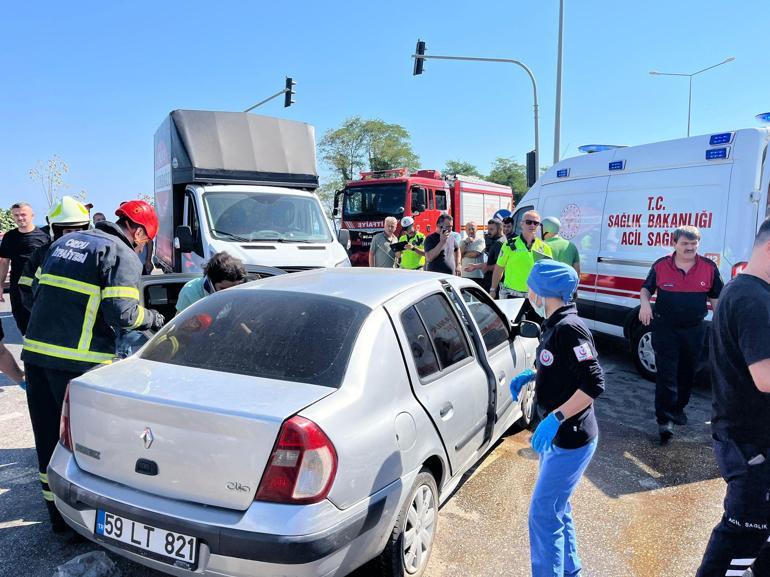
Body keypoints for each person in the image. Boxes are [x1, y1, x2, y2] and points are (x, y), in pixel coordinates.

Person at [21, 199, 165, 533]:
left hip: (36, 356)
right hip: (77, 365)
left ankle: (59, 521)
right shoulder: (120, 253)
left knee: (48, 439)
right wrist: (156, 318)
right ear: (137, 231)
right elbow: (124, 314)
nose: (143, 246)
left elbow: (32, 292)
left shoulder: (64, 243)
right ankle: (86, 522)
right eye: (145, 240)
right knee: (85, 445)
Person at [509, 259, 604, 577]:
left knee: (543, 514)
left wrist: (557, 417)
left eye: (530, 288)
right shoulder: (554, 322)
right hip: (557, 437)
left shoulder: (569, 328)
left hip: (571, 439)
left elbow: (593, 383)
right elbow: (561, 366)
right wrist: (535, 374)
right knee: (556, 508)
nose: (528, 294)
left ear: (543, 292)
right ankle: (570, 570)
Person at [696, 217, 770, 577]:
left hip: (747, 436)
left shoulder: (745, 289)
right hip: (750, 443)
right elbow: (765, 378)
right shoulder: (753, 299)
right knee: (742, 535)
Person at [639, 226, 723, 444]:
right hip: (665, 328)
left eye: (694, 244)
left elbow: (716, 298)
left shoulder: (709, 267)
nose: (690, 248)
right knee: (666, 373)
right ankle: (665, 419)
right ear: (674, 243)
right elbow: (646, 289)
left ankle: (678, 409)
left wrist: (721, 324)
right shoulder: (661, 265)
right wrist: (645, 304)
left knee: (687, 372)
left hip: (694, 329)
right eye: (685, 243)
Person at [18, 196, 93, 314]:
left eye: (78, 230)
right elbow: (26, 285)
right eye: (68, 231)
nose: (73, 235)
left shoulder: (94, 253)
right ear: (56, 230)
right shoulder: (43, 253)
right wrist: (40, 313)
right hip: (51, 318)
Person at [0, 202, 50, 334]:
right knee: (21, 320)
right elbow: (4, 262)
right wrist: (0, 285)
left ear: (32, 215)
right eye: (16, 215)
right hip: (17, 287)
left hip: (39, 286)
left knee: (42, 321)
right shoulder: (9, 237)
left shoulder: (45, 237)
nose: (20, 218)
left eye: (23, 214)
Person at [490, 210, 553, 299]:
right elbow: (499, 268)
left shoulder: (545, 248)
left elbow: (547, 274)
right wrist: (493, 289)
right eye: (528, 222)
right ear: (521, 224)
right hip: (511, 295)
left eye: (536, 223)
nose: (532, 225)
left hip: (534, 297)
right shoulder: (509, 244)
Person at [176, 251, 247, 313]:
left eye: (234, 288)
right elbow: (179, 323)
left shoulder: (244, 293)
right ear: (211, 283)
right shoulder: (190, 292)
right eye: (223, 289)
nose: (229, 294)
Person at [465, 218, 506, 291]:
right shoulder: (497, 240)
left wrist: (486, 267)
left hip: (495, 283)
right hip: (491, 281)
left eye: (491, 229)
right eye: (488, 229)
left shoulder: (499, 243)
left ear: (500, 229)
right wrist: (477, 266)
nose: (488, 232)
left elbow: (500, 266)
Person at [460, 221, 486, 286]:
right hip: (464, 275)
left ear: (477, 229)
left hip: (477, 275)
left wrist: (463, 253)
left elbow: (475, 254)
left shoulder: (480, 240)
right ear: (465, 230)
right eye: (469, 229)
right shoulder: (463, 241)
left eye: (473, 229)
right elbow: (459, 255)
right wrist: (465, 242)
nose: (471, 231)